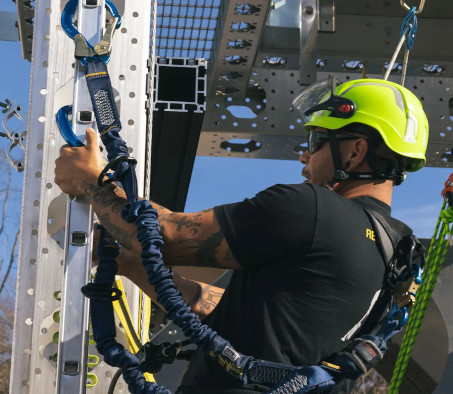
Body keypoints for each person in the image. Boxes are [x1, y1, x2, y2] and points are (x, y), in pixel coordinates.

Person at [54, 78, 428, 393]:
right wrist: (134, 267)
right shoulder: (401, 253)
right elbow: (248, 313)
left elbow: (162, 236)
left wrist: (91, 180)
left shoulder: (313, 209)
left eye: (315, 142)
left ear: (356, 151)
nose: (304, 157)